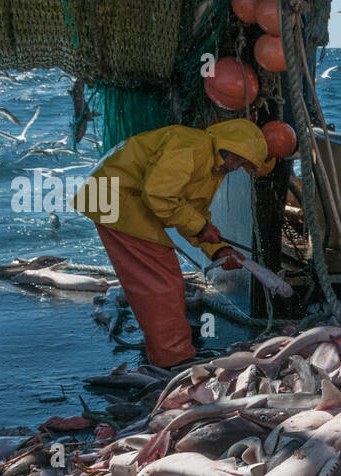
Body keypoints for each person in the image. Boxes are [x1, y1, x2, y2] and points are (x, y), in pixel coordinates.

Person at [70, 120, 272, 369]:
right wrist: (200, 227)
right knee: (160, 280)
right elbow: (159, 195)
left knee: (159, 277)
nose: (236, 167)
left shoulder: (213, 167)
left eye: (243, 165)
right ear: (228, 147)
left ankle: (165, 351)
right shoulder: (192, 146)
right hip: (114, 198)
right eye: (239, 160)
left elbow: (192, 212)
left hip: (119, 198)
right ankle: (173, 361)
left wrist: (218, 249)